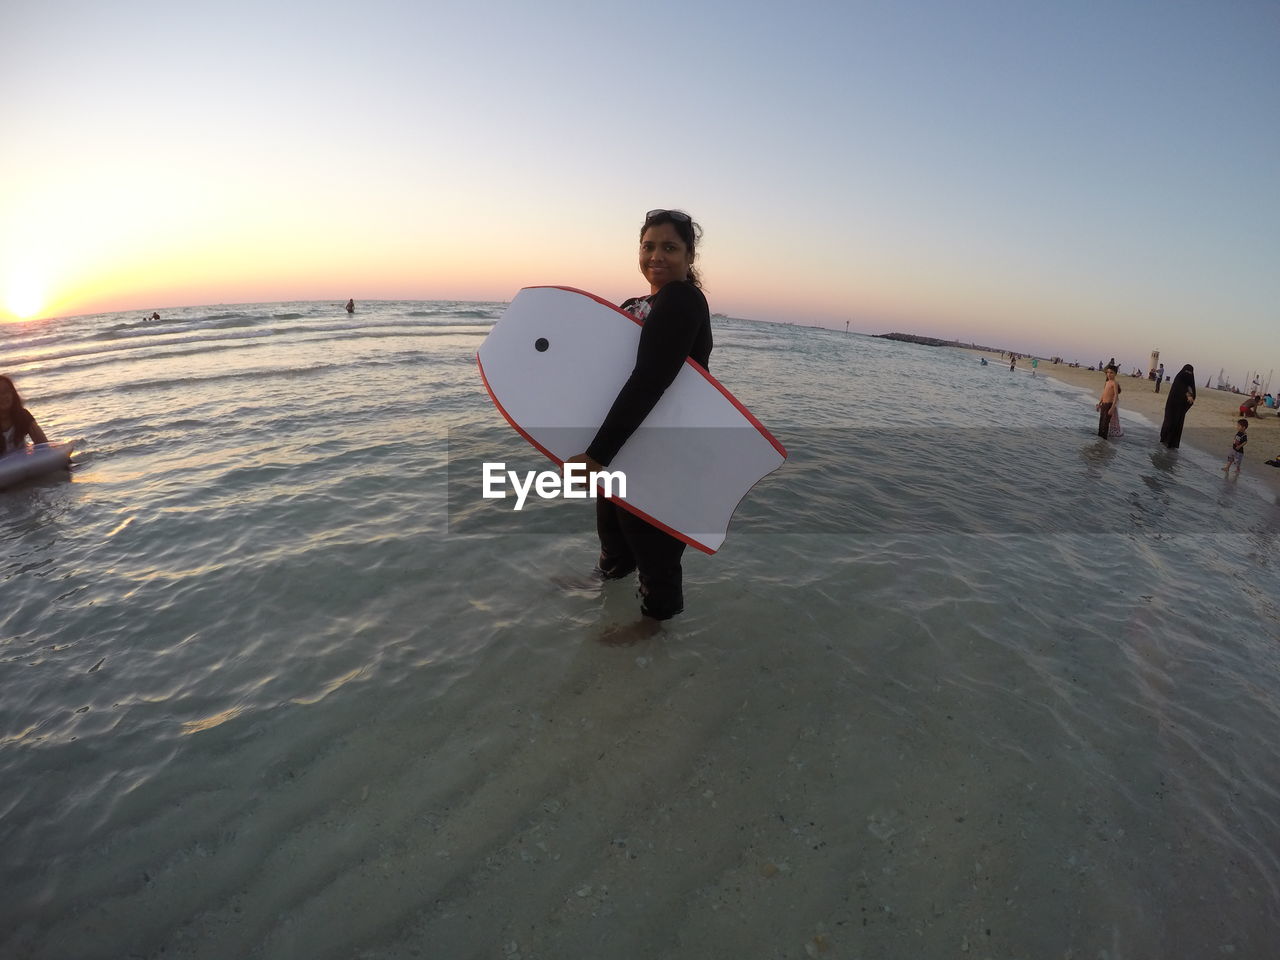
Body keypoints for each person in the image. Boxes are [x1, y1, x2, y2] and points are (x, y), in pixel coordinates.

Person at [565, 209, 711, 636]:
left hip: (664, 446)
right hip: (630, 436)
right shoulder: (636, 305)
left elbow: (650, 379)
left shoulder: (682, 300)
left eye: (670, 247)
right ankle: (607, 579)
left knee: (653, 540)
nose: (657, 256)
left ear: (689, 255)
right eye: (649, 246)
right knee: (613, 526)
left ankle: (656, 623)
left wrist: (596, 454)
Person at [0, 375, 49, 455]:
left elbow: (43, 443)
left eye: (6, 391)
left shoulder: (22, 415)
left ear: (13, 393)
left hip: (23, 463)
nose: (3, 396)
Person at [1159, 364, 1197, 448]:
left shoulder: (1189, 382)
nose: (1188, 374)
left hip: (1180, 409)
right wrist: (1187, 394)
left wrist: (1191, 397)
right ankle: (1164, 440)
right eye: (1186, 371)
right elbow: (1179, 387)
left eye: (1190, 372)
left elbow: (1192, 393)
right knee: (1169, 422)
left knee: (1177, 425)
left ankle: (1172, 443)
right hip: (1172, 406)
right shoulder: (1179, 378)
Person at [1096, 365, 1119, 438]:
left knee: (1105, 424)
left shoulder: (1114, 383)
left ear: (1115, 374)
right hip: (1103, 405)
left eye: (1111, 373)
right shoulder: (1107, 382)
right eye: (1107, 372)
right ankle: (1099, 440)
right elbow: (1104, 394)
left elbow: (1116, 396)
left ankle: (1104, 440)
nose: (1109, 374)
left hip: (1109, 405)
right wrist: (1099, 403)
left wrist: (1112, 407)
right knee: (1101, 422)